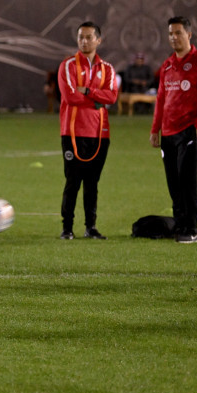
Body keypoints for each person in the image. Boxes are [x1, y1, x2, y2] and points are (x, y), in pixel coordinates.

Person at [150, 16, 197, 244]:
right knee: (173, 182)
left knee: (187, 180)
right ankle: (180, 225)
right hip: (167, 133)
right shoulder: (167, 65)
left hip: (188, 130)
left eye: (178, 33)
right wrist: (155, 129)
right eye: (171, 34)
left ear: (189, 34)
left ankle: (192, 229)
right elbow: (161, 99)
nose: (174, 38)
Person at [57, 22, 118, 240]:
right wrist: (96, 101)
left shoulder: (108, 69)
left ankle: (91, 227)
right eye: (81, 37)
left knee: (93, 182)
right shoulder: (68, 65)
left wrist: (88, 91)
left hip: (100, 134)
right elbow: (70, 96)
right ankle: (67, 228)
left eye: (89, 37)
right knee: (73, 181)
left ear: (98, 40)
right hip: (73, 132)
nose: (84, 41)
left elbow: (112, 97)